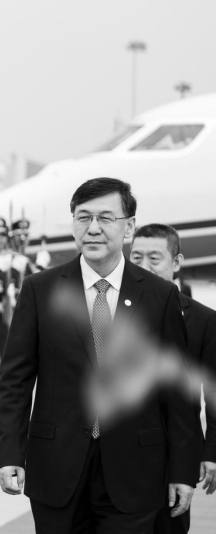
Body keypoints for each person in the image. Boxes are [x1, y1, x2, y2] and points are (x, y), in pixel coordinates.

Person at [0, 177, 201, 531]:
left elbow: (178, 391)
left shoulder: (159, 296)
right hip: (57, 466)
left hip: (135, 470)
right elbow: (15, 380)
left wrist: (183, 469)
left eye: (105, 218)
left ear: (129, 227)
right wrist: (9, 453)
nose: (93, 229)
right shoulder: (40, 290)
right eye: (83, 217)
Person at [130, 224, 216, 534]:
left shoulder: (204, 320)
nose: (144, 266)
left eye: (154, 258)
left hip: (174, 456)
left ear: (176, 262)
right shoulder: (106, 310)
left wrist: (211, 452)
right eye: (136, 257)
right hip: (117, 456)